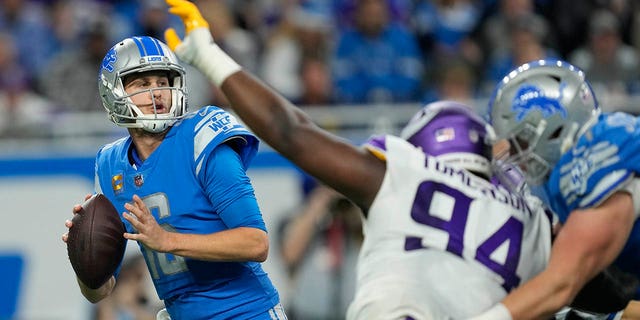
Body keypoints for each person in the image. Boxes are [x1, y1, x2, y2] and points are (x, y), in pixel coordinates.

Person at [161, 0, 555, 318]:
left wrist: (209, 57)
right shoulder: (531, 219)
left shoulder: (406, 173)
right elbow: (587, 283)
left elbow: (290, 130)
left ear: (421, 150)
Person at [61, 34, 287, 319]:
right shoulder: (110, 164)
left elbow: (256, 243)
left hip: (245, 312)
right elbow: (100, 291)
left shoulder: (201, 139)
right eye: (143, 83)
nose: (157, 92)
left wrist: (168, 241)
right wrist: (84, 258)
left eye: (163, 82)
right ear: (114, 92)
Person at [471, 59, 640, 319]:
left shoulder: (600, 152)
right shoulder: (566, 174)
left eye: (520, 143)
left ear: (554, 129)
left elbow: (560, 283)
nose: (516, 157)